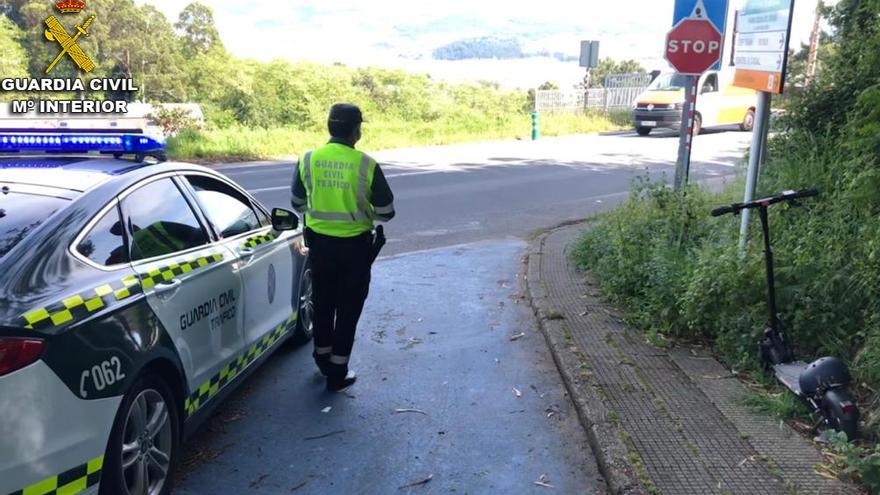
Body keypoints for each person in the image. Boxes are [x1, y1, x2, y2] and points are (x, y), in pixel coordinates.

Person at [290, 103, 395, 391]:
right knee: (348, 309)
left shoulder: (308, 160)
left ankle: (322, 360)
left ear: (330, 127)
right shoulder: (365, 164)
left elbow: (297, 204)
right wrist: (360, 212)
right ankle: (338, 372)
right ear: (356, 131)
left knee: (323, 302)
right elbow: (386, 211)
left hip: (320, 247)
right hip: (355, 250)